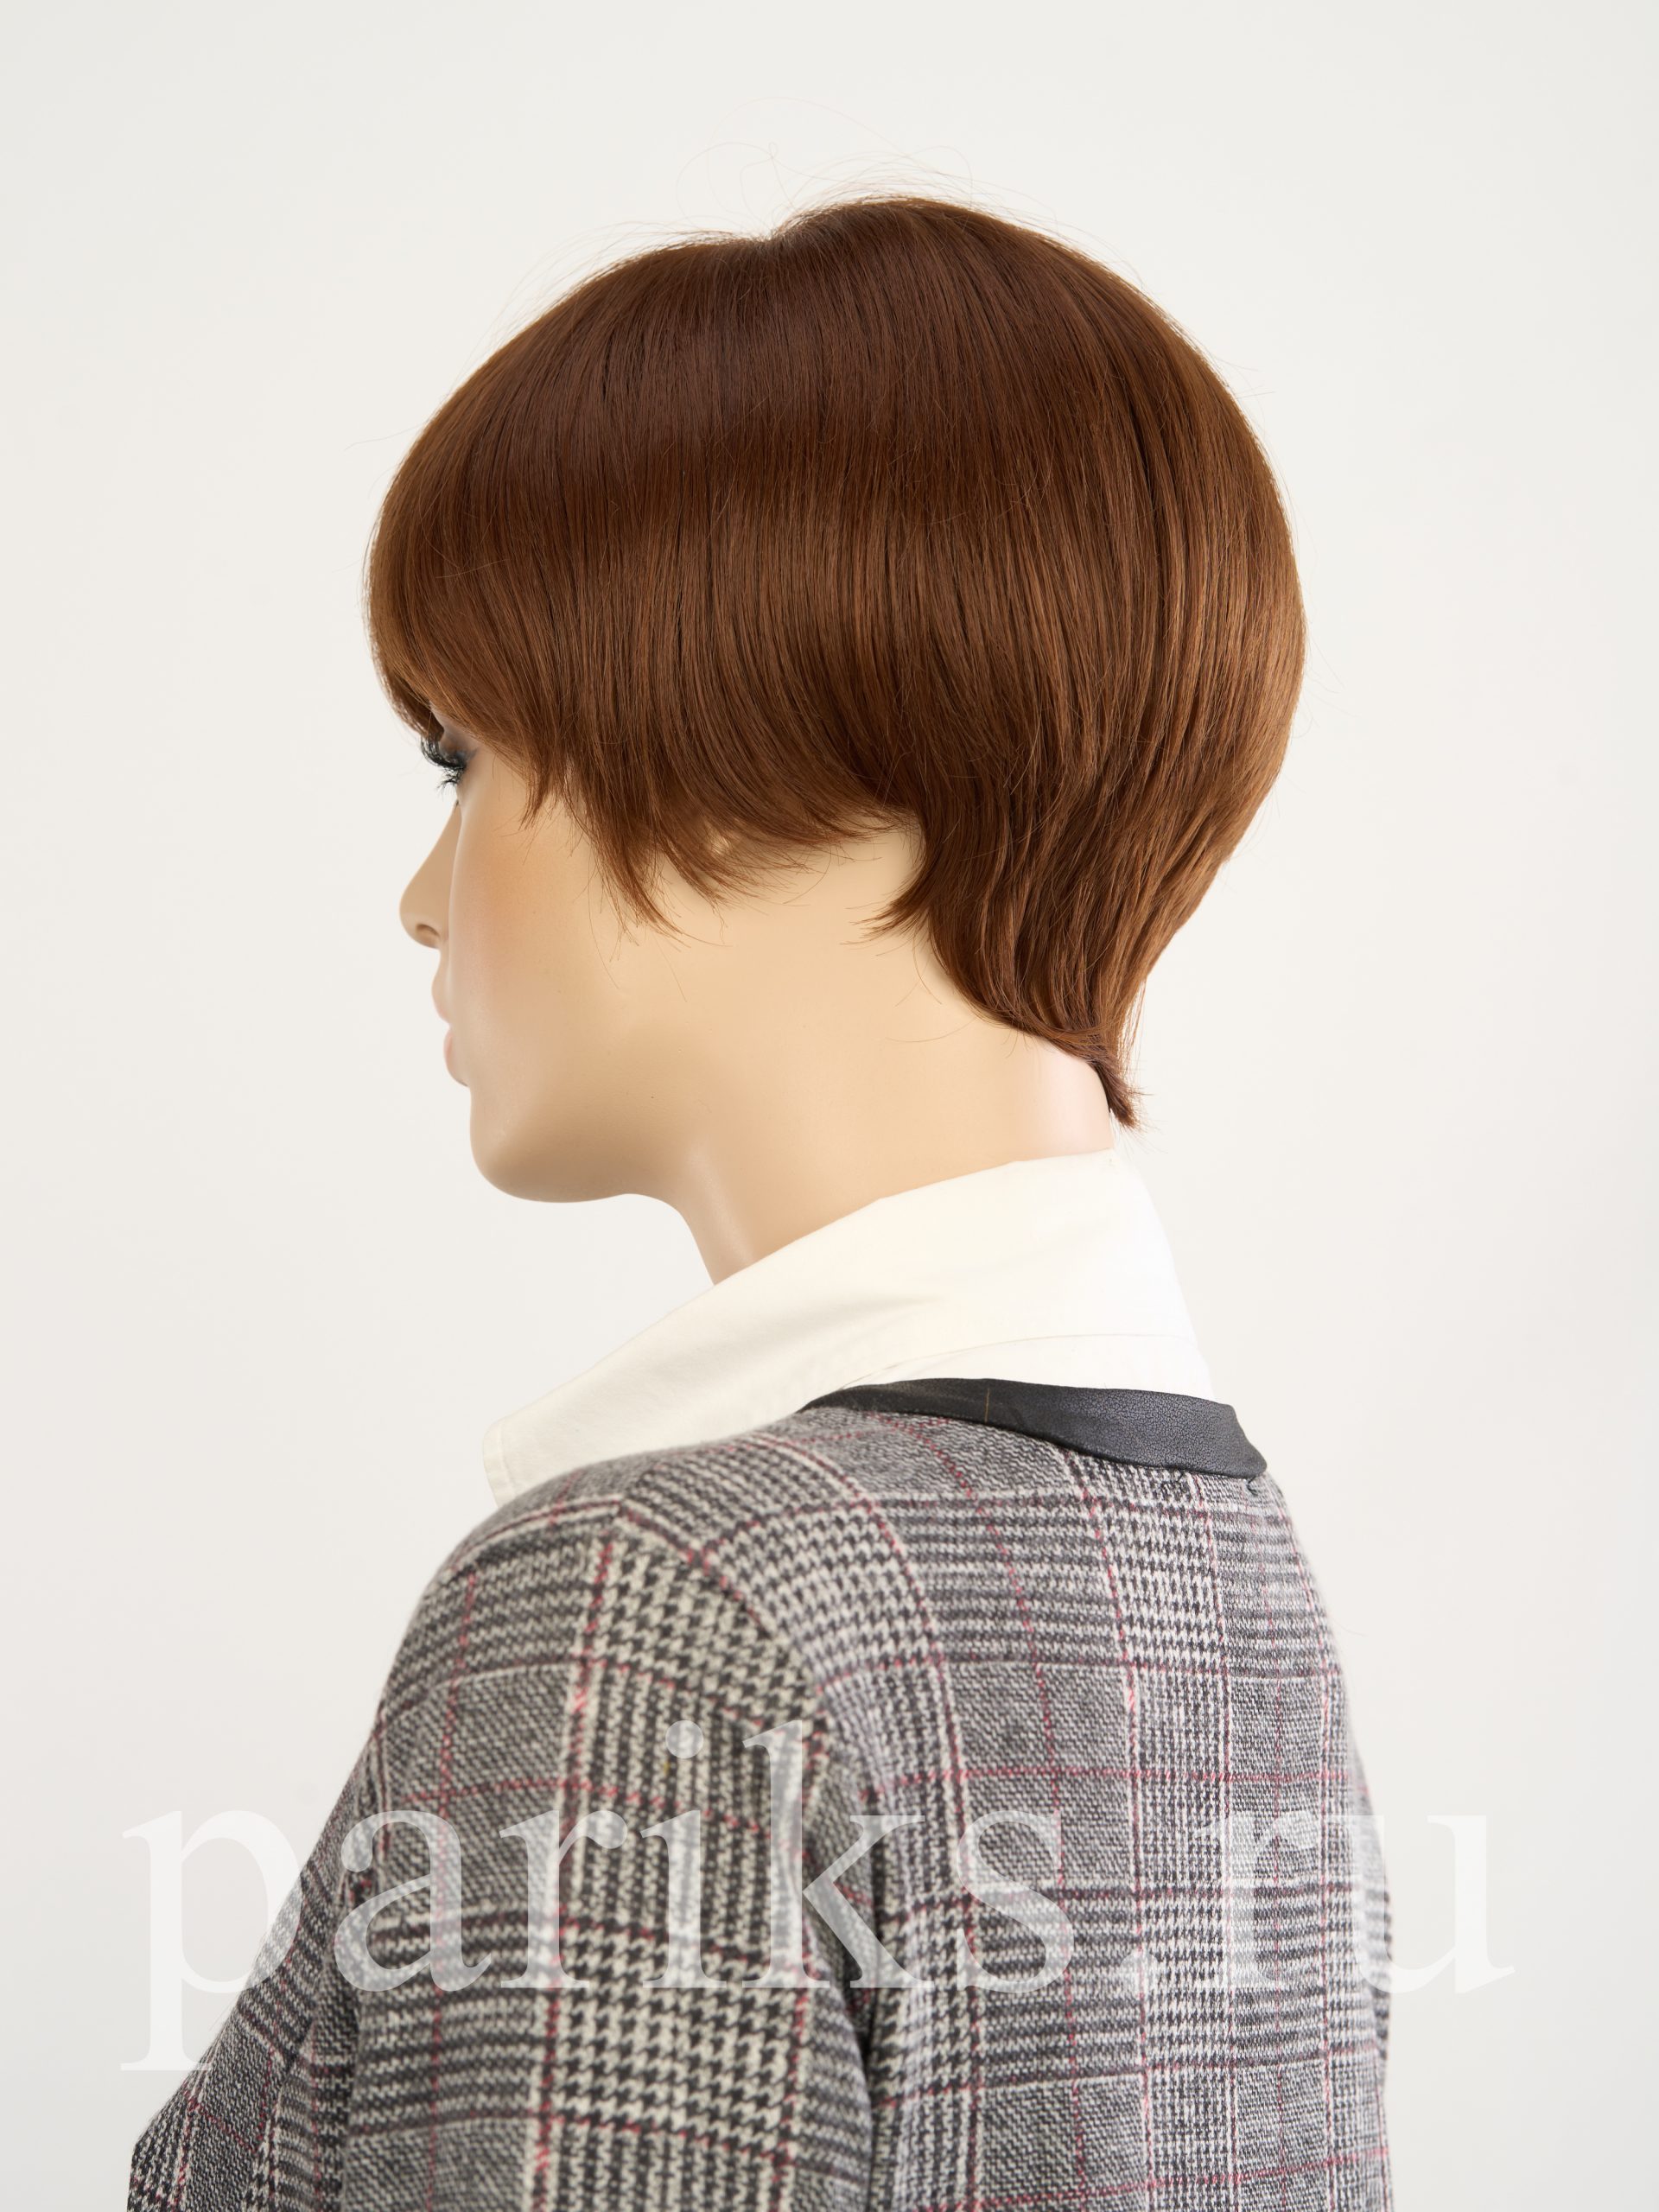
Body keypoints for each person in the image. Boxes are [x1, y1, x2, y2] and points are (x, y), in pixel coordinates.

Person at [130, 190, 1392, 2209]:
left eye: (464, 758)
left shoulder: (648, 1594)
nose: (425, 897)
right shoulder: (1227, 1568)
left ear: (781, 771)